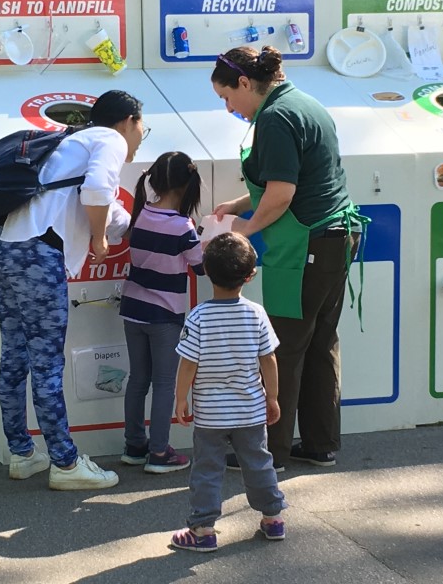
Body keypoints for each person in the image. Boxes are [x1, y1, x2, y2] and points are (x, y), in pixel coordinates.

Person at [211, 45, 366, 472]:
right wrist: (240, 204)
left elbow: (282, 195)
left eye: (227, 98)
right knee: (320, 342)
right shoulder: (304, 102)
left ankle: (269, 454)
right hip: (337, 236)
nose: (228, 108)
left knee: (282, 347)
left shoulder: (275, 118)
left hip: (307, 245)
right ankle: (320, 445)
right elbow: (286, 180)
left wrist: (243, 230)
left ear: (245, 83)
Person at [0, 89, 147, 490]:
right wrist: (98, 241)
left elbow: (108, 211)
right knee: (46, 363)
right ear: (129, 120)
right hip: (36, 257)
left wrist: (128, 225)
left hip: (2, 246)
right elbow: (95, 194)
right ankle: (66, 462)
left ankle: (22, 453)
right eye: (143, 127)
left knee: (15, 353)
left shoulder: (71, 142)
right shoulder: (109, 138)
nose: (141, 135)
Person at [170, 231, 285, 552]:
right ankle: (273, 518)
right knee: (259, 463)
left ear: (205, 271)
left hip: (211, 416)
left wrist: (181, 399)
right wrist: (272, 397)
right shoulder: (256, 314)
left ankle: (203, 529)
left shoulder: (198, 317)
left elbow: (188, 364)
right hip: (250, 410)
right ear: (251, 275)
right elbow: (269, 359)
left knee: (206, 470)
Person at [118, 151, 205, 474]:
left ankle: (134, 445)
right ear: (187, 186)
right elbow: (201, 268)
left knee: (138, 378)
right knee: (165, 382)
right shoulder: (183, 226)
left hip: (133, 308)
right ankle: (160, 452)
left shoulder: (141, 215)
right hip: (165, 314)